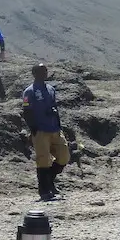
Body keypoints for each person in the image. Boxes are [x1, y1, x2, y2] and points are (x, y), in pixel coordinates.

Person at [22, 63, 70, 201]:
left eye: (46, 71)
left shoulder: (50, 89)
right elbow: (26, 111)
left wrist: (59, 124)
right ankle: (44, 191)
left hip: (54, 128)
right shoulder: (29, 91)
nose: (45, 73)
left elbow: (54, 107)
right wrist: (33, 129)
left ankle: (49, 180)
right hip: (40, 130)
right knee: (43, 160)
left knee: (64, 156)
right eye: (42, 71)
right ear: (35, 73)